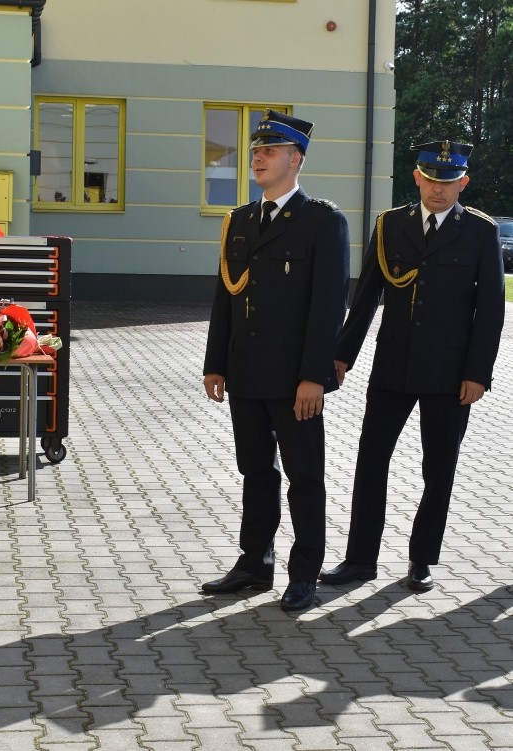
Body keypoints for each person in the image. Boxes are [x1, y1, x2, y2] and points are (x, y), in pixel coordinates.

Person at [320, 140, 505, 592]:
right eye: (430, 180)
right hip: (393, 365)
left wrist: (478, 373)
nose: (438, 190)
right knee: (371, 462)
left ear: (463, 182)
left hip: (450, 372)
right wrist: (341, 357)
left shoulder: (480, 232)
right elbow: (364, 299)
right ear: (416, 177)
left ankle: (422, 559)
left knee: (438, 466)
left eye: (448, 182)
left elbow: (491, 310)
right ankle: (360, 559)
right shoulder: (389, 226)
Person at [201, 110, 349, 612]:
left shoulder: (321, 221)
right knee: (256, 472)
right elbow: (226, 295)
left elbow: (329, 305)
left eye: (269, 151)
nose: (257, 158)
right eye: (255, 151)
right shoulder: (241, 220)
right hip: (246, 373)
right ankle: (253, 563)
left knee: (304, 476)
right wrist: (215, 361)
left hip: (294, 381)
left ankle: (304, 571)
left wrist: (315, 377)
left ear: (296, 159)